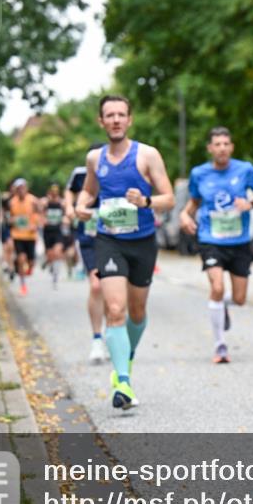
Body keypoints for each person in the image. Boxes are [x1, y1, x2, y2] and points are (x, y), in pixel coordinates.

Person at [75, 95, 174, 410]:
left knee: (137, 312)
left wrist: (146, 201)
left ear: (129, 120)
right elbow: (89, 190)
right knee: (114, 309)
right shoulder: (95, 158)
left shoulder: (147, 155)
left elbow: (169, 198)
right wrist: (80, 205)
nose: (115, 120)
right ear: (101, 121)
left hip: (142, 241)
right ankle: (124, 382)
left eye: (121, 115)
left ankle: (125, 362)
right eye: (109, 115)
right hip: (109, 239)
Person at [179, 127, 253, 364]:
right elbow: (194, 202)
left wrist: (251, 204)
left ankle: (221, 306)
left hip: (239, 242)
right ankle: (220, 346)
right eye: (217, 144)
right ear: (210, 148)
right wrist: (185, 215)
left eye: (226, 143)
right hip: (210, 239)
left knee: (239, 299)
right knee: (216, 287)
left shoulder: (245, 170)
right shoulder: (199, 174)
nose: (222, 148)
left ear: (232, 147)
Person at [66, 152, 108, 365]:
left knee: (114, 289)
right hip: (90, 238)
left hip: (114, 238)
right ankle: (97, 339)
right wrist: (70, 209)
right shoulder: (80, 174)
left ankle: (113, 329)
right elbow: (69, 193)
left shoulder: (118, 170)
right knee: (96, 286)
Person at [8, 178, 40, 296]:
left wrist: (36, 224)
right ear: (16, 190)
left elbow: (40, 214)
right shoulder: (12, 202)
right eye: (19, 188)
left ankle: (26, 268)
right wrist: (12, 220)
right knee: (21, 259)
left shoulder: (33, 201)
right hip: (17, 235)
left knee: (31, 263)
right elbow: (8, 217)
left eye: (23, 188)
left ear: (26, 188)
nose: (21, 190)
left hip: (30, 236)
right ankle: (23, 286)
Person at [39, 184, 67, 288]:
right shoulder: (46, 202)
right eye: (53, 191)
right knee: (51, 255)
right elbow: (40, 212)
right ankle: (48, 262)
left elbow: (66, 213)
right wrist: (43, 219)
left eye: (56, 191)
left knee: (58, 252)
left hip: (57, 231)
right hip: (48, 232)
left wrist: (65, 219)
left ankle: (55, 277)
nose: (54, 194)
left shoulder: (61, 203)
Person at [0, 184, 16, 280]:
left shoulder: (20, 200)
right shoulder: (6, 198)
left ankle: (10, 267)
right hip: (6, 226)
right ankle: (7, 265)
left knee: (11, 247)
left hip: (16, 228)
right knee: (6, 247)